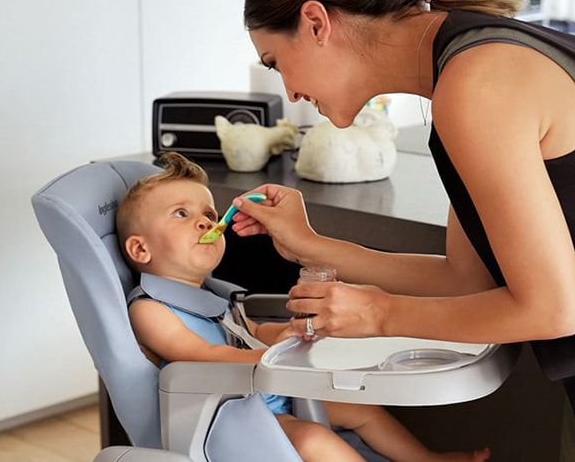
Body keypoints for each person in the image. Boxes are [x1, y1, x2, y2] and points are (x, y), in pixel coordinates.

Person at [230, 0, 575, 459]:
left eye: (274, 62)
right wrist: (312, 246)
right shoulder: (469, 64)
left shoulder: (475, 84)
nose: (287, 91)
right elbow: (465, 279)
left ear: (315, 23)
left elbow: (554, 308)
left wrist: (377, 313)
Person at [116, 151, 490, 462]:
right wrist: (275, 358)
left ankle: (427, 460)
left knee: (357, 408)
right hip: (224, 414)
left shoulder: (213, 298)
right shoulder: (150, 309)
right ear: (140, 249)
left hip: (263, 392)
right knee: (312, 441)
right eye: (182, 214)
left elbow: (252, 335)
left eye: (209, 215)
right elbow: (201, 354)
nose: (203, 221)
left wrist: (285, 333)